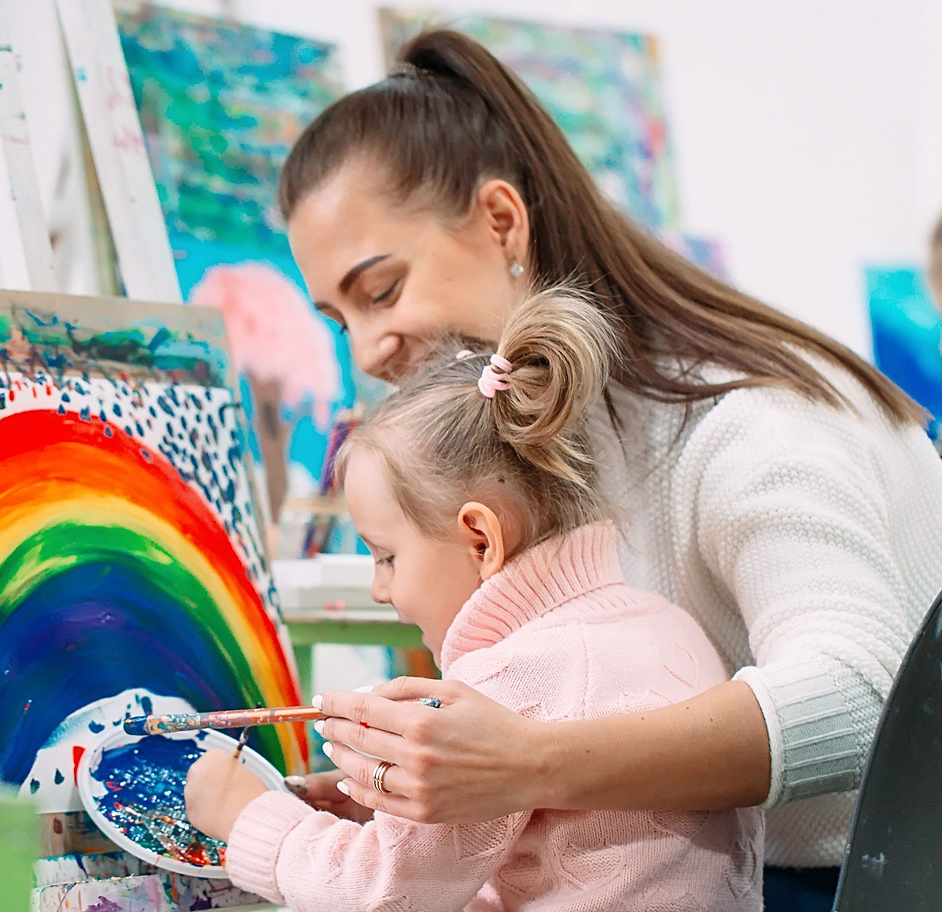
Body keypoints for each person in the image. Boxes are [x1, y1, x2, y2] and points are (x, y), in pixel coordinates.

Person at [272, 29, 942, 911]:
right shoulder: (547, 453)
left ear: (503, 221)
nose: (368, 348)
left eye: (382, 291)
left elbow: (861, 698)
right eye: (337, 318)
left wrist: (524, 767)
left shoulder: (749, 421)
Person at [185, 288, 764, 910]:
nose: (381, 590)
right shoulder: (666, 621)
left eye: (386, 557)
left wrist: (250, 818)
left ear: (480, 539)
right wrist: (381, 813)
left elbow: (386, 894)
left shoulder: (502, 679)